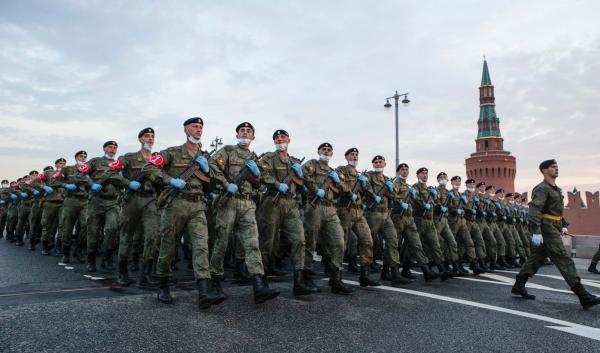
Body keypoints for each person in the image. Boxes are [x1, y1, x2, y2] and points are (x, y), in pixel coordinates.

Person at [512, 159, 600, 309]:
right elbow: (535, 210)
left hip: (553, 226)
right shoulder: (542, 189)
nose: (556, 169)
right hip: (546, 229)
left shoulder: (556, 189)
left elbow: (556, 212)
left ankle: (518, 286)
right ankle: (583, 295)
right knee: (563, 258)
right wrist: (536, 232)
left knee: (536, 259)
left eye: (557, 167)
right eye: (553, 167)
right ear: (544, 170)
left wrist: (563, 225)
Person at [209, 122, 280, 304]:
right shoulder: (227, 150)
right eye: (242, 130)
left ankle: (258, 285)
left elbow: (263, 180)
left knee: (252, 243)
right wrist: (226, 184)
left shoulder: (255, 158)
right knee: (222, 241)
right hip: (229, 201)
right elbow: (211, 165)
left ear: (253, 137)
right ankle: (214, 280)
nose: (245, 133)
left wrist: (258, 175)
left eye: (248, 131)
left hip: (248, 203)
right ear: (237, 134)